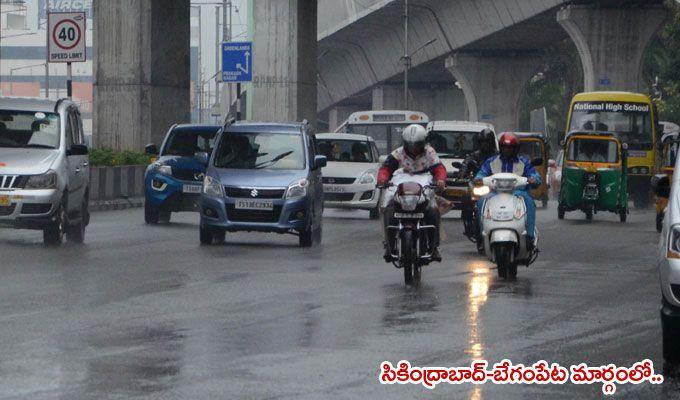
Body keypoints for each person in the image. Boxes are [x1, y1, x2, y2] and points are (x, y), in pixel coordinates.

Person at [377, 124, 447, 262]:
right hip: (401, 181)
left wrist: (440, 180)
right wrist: (382, 179)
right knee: (387, 207)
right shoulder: (398, 153)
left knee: (433, 210)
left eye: (417, 145)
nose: (413, 148)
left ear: (424, 143)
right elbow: (385, 169)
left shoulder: (430, 153)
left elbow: (439, 169)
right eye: (410, 145)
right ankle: (389, 245)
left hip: (424, 181)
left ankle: (434, 247)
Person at [475, 132, 541, 250]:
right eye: (505, 147)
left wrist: (533, 179)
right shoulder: (491, 161)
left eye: (510, 148)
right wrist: (478, 179)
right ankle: (481, 237)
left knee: (529, 202)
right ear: (500, 148)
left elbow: (535, 176)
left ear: (516, 149)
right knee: (480, 202)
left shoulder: (524, 162)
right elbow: (481, 173)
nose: (507, 150)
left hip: (518, 193)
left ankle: (529, 236)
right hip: (494, 193)